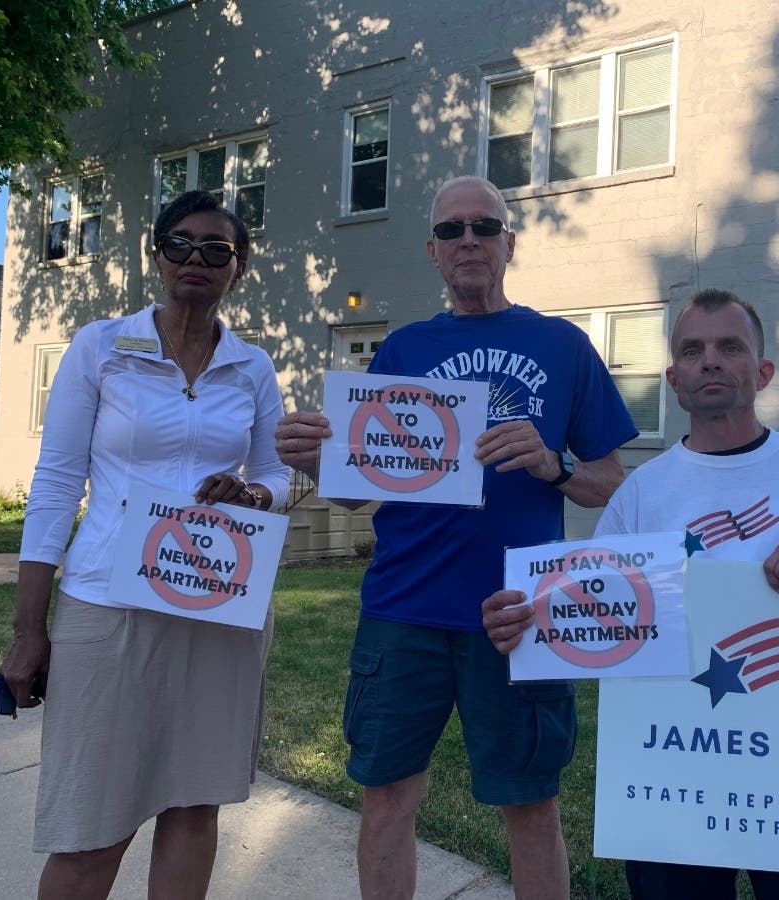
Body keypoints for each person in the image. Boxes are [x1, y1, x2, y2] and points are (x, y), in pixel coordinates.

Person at [482, 288, 779, 900]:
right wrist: (526, 620)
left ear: (763, 371)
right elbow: (593, 610)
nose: (710, 361)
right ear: (673, 378)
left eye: (729, 347)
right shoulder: (641, 494)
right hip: (676, 768)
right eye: (693, 350)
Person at [275, 175, 638, 899]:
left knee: (530, 806)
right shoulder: (405, 348)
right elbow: (357, 486)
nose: (468, 240)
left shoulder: (562, 345)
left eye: (484, 227)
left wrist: (553, 462)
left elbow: (612, 481)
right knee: (385, 800)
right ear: (433, 253)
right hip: (403, 607)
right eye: (451, 231)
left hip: (519, 613)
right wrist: (315, 457)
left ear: (509, 243)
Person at [0, 190, 290, 900]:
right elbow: (57, 483)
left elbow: (278, 471)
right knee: (91, 825)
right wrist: (28, 629)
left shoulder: (251, 367)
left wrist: (255, 495)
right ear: (155, 256)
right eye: (181, 244)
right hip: (108, 601)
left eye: (216, 249)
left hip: (221, 603)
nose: (197, 259)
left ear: (239, 268)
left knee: (195, 806)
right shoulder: (101, 347)